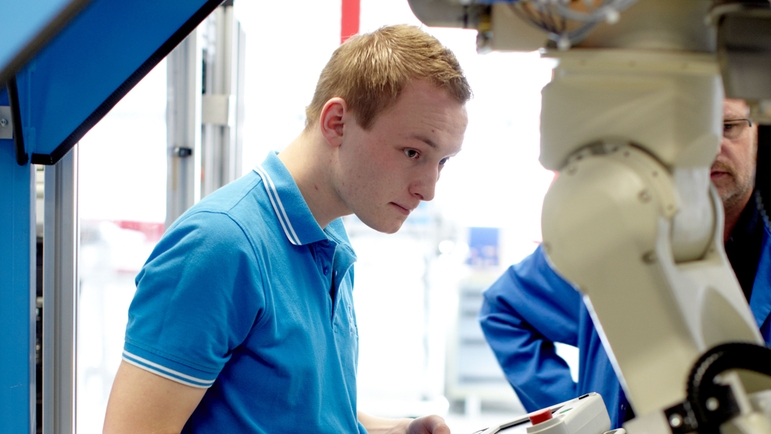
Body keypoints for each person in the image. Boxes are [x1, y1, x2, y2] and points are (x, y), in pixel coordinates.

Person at [103, 24, 471, 433]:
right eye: (413, 152)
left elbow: (299, 405)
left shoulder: (328, 235)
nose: (428, 189)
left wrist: (396, 430)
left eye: (441, 162)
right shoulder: (220, 245)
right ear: (336, 123)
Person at [479, 98, 770, 429]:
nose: (711, 148)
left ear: (757, 130)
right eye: (693, 131)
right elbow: (503, 309)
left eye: (729, 127)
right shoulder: (615, 240)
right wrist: (581, 417)